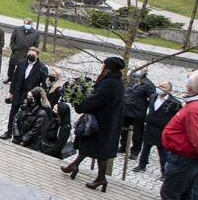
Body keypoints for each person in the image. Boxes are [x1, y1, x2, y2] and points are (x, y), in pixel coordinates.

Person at [62, 56, 126, 192]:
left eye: (104, 66)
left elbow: (96, 100)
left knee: (100, 151)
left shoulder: (109, 83)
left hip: (103, 123)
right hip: (105, 122)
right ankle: (74, 165)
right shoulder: (117, 82)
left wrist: (80, 105)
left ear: (109, 68)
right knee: (88, 144)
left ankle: (101, 178)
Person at [154, 70, 198, 200]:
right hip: (185, 157)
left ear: (190, 88)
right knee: (184, 193)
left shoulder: (193, 110)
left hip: (183, 158)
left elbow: (195, 137)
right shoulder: (192, 106)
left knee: (170, 193)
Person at [137, 80, 182, 174]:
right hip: (150, 127)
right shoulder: (153, 97)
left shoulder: (174, 103)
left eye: (163, 87)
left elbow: (176, 118)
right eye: (160, 86)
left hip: (161, 130)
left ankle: (164, 171)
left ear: (169, 90)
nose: (160, 88)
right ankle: (142, 165)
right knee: (145, 148)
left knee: (162, 151)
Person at [4, 46, 49, 139]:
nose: (31, 55)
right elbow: (14, 79)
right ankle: (9, 132)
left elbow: (44, 85)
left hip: (30, 96)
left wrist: (39, 96)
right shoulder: (21, 63)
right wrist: (11, 92)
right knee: (13, 114)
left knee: (26, 116)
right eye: (30, 53)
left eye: (33, 54)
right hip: (18, 93)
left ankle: (21, 135)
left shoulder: (42, 68)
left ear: (37, 55)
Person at [121, 65, 156, 158]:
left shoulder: (148, 84)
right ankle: (123, 147)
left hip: (138, 112)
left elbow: (152, 98)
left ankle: (135, 151)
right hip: (125, 110)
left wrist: (143, 105)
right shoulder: (130, 79)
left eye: (140, 68)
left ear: (145, 71)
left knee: (137, 133)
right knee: (123, 130)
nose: (137, 70)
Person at [5, 19, 39, 84]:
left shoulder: (35, 33)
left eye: (29, 24)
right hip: (16, 52)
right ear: (24, 23)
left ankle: (18, 80)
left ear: (31, 24)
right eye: (27, 23)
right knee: (11, 65)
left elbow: (36, 44)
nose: (28, 25)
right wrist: (14, 48)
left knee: (22, 67)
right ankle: (10, 78)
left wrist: (31, 52)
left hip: (26, 53)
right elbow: (12, 39)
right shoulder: (17, 30)